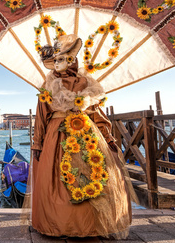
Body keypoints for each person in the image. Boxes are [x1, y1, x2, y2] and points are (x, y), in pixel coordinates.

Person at [28, 34, 133, 239]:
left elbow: (96, 114)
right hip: (56, 137)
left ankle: (91, 225)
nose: (56, 64)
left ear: (71, 60)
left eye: (61, 59)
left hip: (87, 134)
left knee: (92, 173)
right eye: (55, 60)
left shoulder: (87, 83)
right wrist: (37, 143)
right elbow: (41, 116)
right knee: (59, 180)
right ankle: (61, 224)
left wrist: (108, 138)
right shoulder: (48, 85)